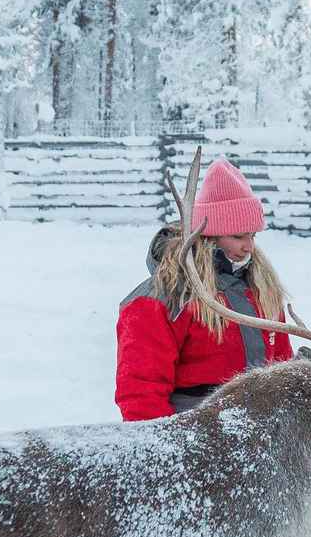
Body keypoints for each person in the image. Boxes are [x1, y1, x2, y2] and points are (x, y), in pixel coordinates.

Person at [116, 157, 293, 420]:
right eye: (238, 236)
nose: (249, 247)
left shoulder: (260, 288)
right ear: (209, 234)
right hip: (191, 436)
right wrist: (167, 449)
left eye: (252, 236)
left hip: (259, 432)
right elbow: (141, 390)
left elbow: (282, 367)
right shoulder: (161, 299)